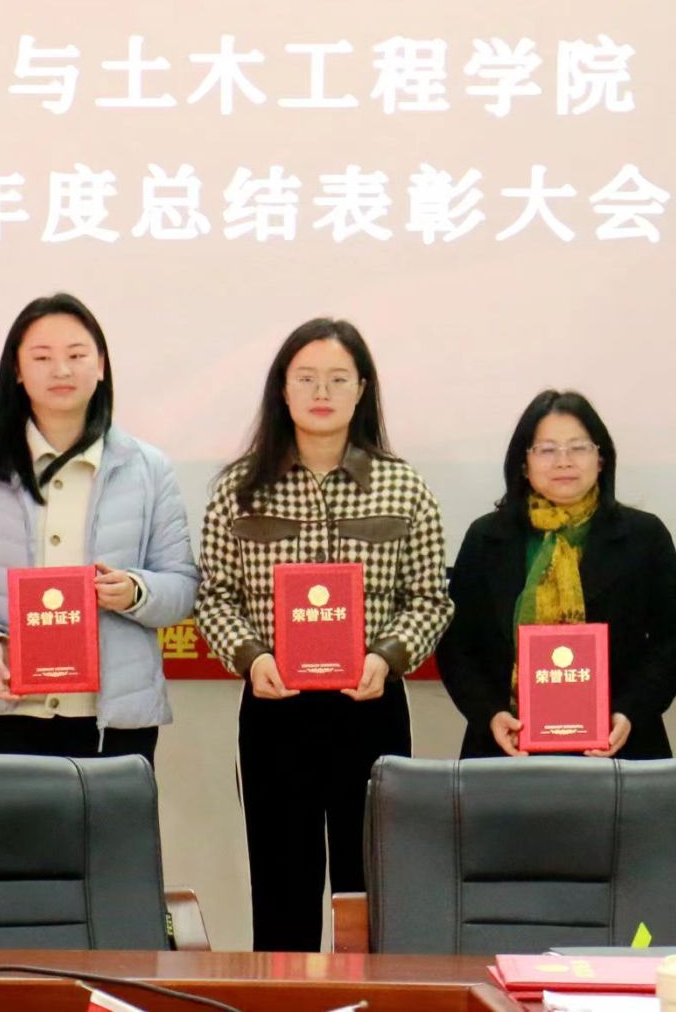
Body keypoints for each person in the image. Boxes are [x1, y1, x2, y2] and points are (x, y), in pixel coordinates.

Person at [194, 317, 453, 953]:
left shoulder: (403, 486)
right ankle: (287, 996)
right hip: (275, 709)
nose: (321, 392)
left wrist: (387, 656)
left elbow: (430, 598)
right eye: (306, 378)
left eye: (338, 379)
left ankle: (372, 997)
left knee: (371, 893)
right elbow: (214, 597)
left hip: (370, 707)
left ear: (362, 389)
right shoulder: (239, 488)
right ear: (282, 389)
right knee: (282, 889)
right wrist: (251, 657)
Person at [0, 294, 198, 763]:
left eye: (77, 355)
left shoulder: (148, 468)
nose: (61, 370)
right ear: (17, 371)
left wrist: (136, 591)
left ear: (101, 366)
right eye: (42, 358)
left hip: (111, 721)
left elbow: (182, 585)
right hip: (2, 711)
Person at [438, 389, 676, 760]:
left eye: (578, 448)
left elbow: (675, 639)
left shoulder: (643, 536)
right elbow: (457, 645)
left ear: (601, 459)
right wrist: (490, 714)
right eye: (546, 450)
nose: (564, 461)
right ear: (524, 464)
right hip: (507, 746)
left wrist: (630, 712)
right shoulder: (487, 538)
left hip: (618, 746)